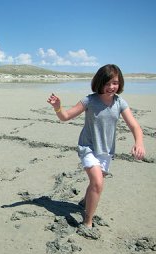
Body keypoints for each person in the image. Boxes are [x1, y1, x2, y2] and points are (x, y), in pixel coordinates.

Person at [47, 64, 145, 229]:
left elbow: (135, 126)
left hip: (106, 151)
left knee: (95, 184)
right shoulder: (90, 100)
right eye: (107, 83)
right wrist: (58, 107)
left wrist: (139, 143)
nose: (111, 87)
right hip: (88, 148)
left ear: (120, 83)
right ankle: (87, 222)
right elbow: (65, 117)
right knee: (98, 183)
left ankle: (85, 201)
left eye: (115, 83)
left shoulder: (120, 103)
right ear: (99, 83)